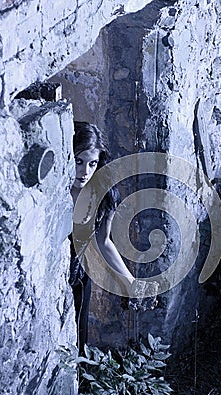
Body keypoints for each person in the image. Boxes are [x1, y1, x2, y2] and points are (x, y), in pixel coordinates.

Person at [69, 121, 135, 352]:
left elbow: (103, 240)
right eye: (78, 161)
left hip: (79, 276)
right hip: (52, 276)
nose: (84, 171)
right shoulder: (55, 194)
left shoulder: (103, 194)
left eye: (92, 163)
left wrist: (130, 283)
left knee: (78, 337)